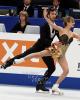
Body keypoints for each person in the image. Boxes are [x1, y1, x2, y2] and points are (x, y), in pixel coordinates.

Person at [4, 10, 80, 94]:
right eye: (72, 22)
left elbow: (78, 37)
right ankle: (20, 60)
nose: (74, 23)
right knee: (38, 54)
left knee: (66, 71)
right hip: (55, 50)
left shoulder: (72, 34)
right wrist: (45, 16)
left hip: (62, 55)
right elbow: (50, 24)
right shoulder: (61, 29)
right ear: (68, 22)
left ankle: (55, 86)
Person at [1, 7, 60, 92]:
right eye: (52, 14)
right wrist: (53, 44)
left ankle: (40, 84)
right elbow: (43, 39)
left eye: (55, 14)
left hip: (47, 49)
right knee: (23, 55)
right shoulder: (44, 26)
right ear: (48, 15)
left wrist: (64, 40)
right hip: (38, 47)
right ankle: (7, 63)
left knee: (52, 68)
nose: (54, 15)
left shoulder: (56, 27)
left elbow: (60, 36)